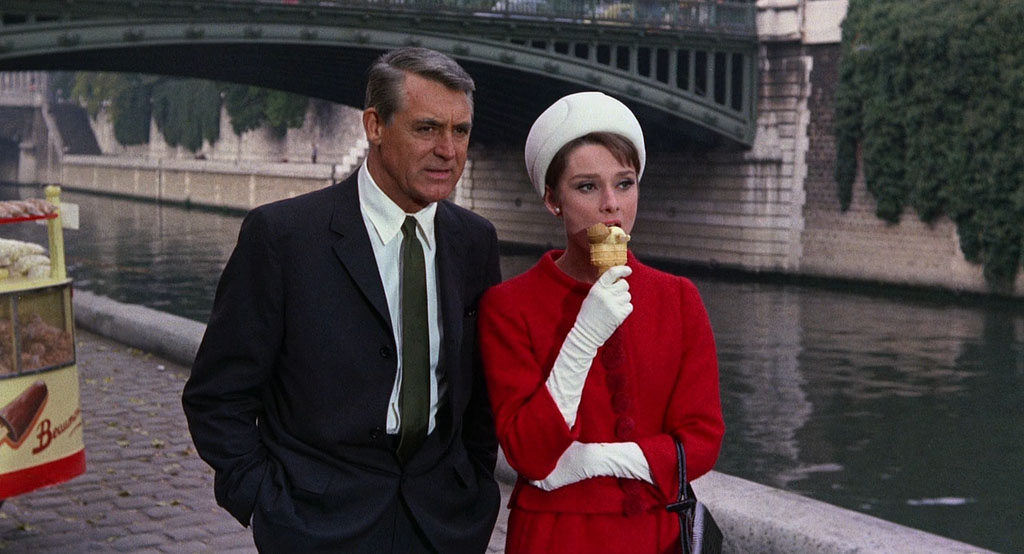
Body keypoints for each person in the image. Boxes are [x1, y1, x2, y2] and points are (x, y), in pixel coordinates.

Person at [182, 47, 502, 553]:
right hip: (316, 527)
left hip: (443, 524)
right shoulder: (282, 237)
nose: (448, 150)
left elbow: (478, 399)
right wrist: (266, 504)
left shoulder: (475, 241)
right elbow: (216, 397)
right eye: (427, 128)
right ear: (374, 126)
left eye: (460, 131)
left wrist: (475, 489)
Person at [478, 91, 724, 553]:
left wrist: (595, 460)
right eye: (587, 186)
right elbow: (528, 454)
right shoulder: (508, 306)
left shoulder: (678, 299)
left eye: (625, 183)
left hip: (654, 535)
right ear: (553, 199)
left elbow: (704, 439)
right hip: (554, 539)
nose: (611, 204)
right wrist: (584, 335)